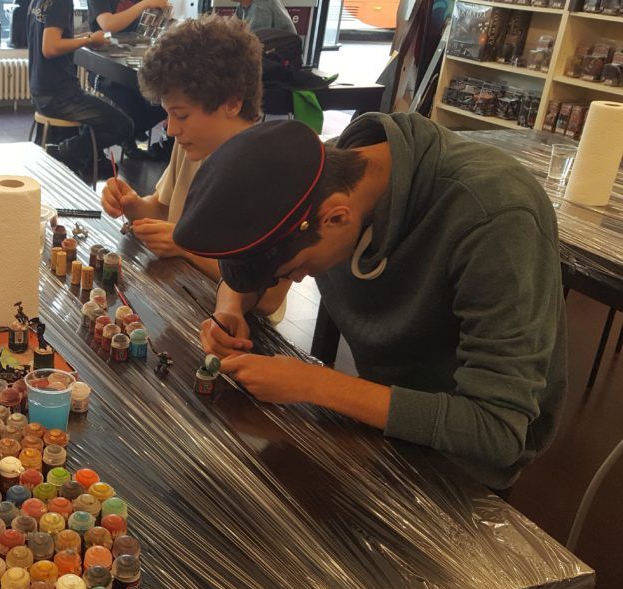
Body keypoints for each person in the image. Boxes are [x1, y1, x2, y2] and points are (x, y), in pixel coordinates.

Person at [175, 114, 567, 492]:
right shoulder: (322, 174)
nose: (294, 281)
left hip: (456, 461)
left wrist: (313, 383)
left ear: (336, 218)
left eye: (294, 270)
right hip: (374, 419)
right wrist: (230, 306)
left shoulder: (495, 217)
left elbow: (496, 431)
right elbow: (254, 282)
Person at [100, 15, 289, 316]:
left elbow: (268, 298)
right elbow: (163, 211)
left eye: (182, 115)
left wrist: (184, 247)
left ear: (232, 103)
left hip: (240, 322)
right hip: (181, 297)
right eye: (168, 114)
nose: (172, 129)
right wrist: (133, 205)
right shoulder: (189, 147)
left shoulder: (273, 174)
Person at [28, 0, 134, 177]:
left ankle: (82, 157)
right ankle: (63, 152)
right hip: (60, 96)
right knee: (123, 126)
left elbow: (52, 39)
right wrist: (88, 39)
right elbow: (50, 48)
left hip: (40, 91)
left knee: (103, 119)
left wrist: (86, 38)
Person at [87, 0, 171, 156]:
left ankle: (131, 135)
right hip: (105, 68)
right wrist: (144, 4)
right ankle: (121, 136)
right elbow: (108, 24)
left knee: (163, 103)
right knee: (135, 107)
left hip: (133, 62)